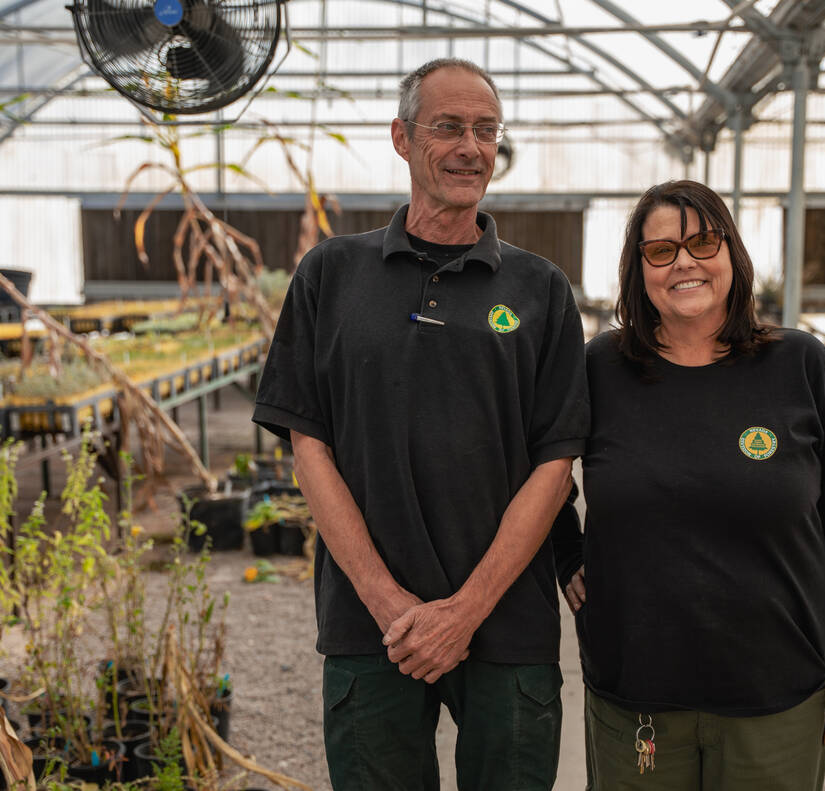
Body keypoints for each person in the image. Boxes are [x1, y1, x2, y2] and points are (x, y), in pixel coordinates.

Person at [252, 58, 590, 791]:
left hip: (506, 627)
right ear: (402, 137)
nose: (471, 146)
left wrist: (463, 612)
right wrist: (388, 602)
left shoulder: (541, 290)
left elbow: (555, 464)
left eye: (486, 130)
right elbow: (309, 446)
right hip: (370, 627)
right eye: (449, 127)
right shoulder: (330, 275)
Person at [553, 180, 825, 790]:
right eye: (661, 251)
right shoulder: (600, 368)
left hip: (776, 691)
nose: (684, 262)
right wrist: (567, 552)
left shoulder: (800, 365)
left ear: (732, 254)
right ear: (638, 270)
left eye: (703, 242)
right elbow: (542, 467)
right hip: (637, 689)